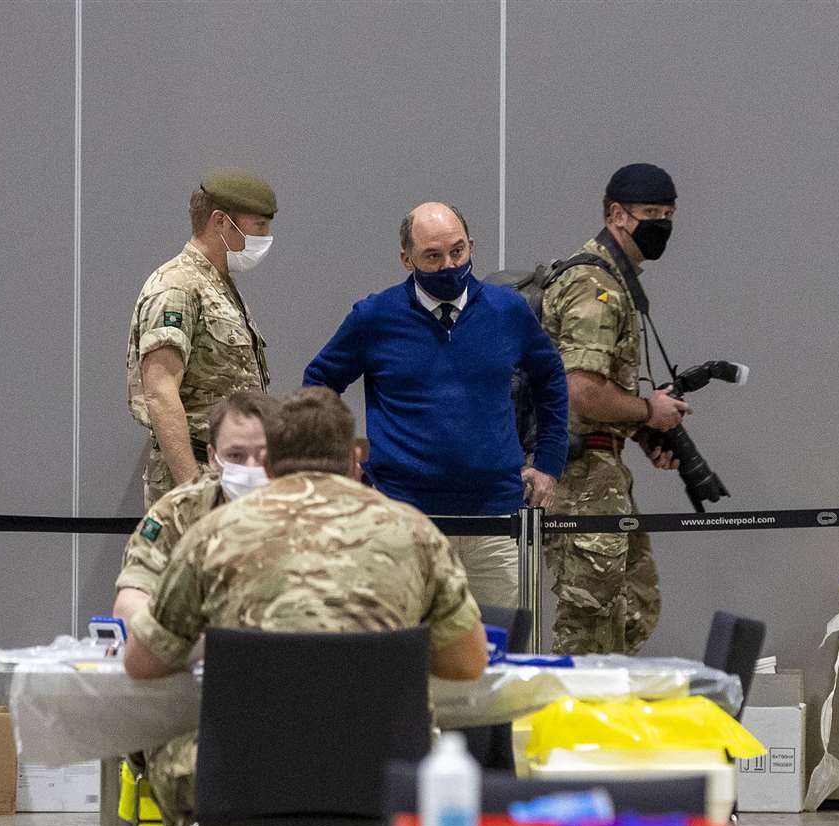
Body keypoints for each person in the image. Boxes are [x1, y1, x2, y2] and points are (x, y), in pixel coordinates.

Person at [123, 387, 488, 826]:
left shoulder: (214, 533)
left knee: (170, 761)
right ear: (355, 458)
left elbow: (143, 663)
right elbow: (467, 662)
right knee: (409, 771)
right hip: (383, 763)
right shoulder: (413, 531)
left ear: (273, 459)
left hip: (246, 767)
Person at [303, 202, 567, 612]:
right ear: (407, 259)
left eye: (458, 252)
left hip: (495, 520)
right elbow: (318, 384)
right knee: (403, 655)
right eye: (433, 256)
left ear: (471, 246)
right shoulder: (375, 317)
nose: (449, 265)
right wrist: (338, 464)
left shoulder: (507, 311)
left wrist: (549, 462)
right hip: (405, 520)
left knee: (502, 657)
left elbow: (550, 378)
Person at [541, 163, 689, 655]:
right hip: (580, 477)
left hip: (602, 469)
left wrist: (643, 430)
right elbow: (580, 390)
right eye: (650, 213)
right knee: (590, 627)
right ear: (616, 214)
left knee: (634, 609)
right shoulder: (594, 285)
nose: (661, 224)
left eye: (668, 213)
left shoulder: (616, 281)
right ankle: (576, 726)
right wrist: (648, 411)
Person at [126, 170, 277, 509]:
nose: (266, 238)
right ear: (221, 222)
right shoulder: (177, 286)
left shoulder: (216, 284)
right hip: (196, 473)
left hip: (229, 473)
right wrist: (192, 490)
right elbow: (160, 392)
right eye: (259, 227)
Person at [113, 390, 277, 629]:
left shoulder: (310, 510)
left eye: (264, 456)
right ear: (212, 457)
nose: (251, 467)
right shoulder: (178, 511)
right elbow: (129, 604)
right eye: (236, 455)